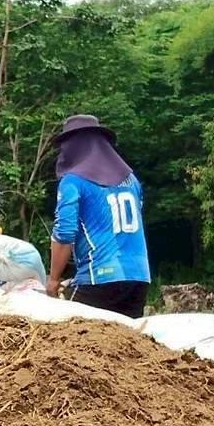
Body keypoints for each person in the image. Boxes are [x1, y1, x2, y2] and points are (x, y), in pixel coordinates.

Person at [45, 114, 150, 319]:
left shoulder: (73, 182)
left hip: (99, 277)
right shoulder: (131, 180)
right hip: (139, 277)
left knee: (70, 340)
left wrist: (53, 279)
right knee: (127, 346)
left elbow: (65, 233)